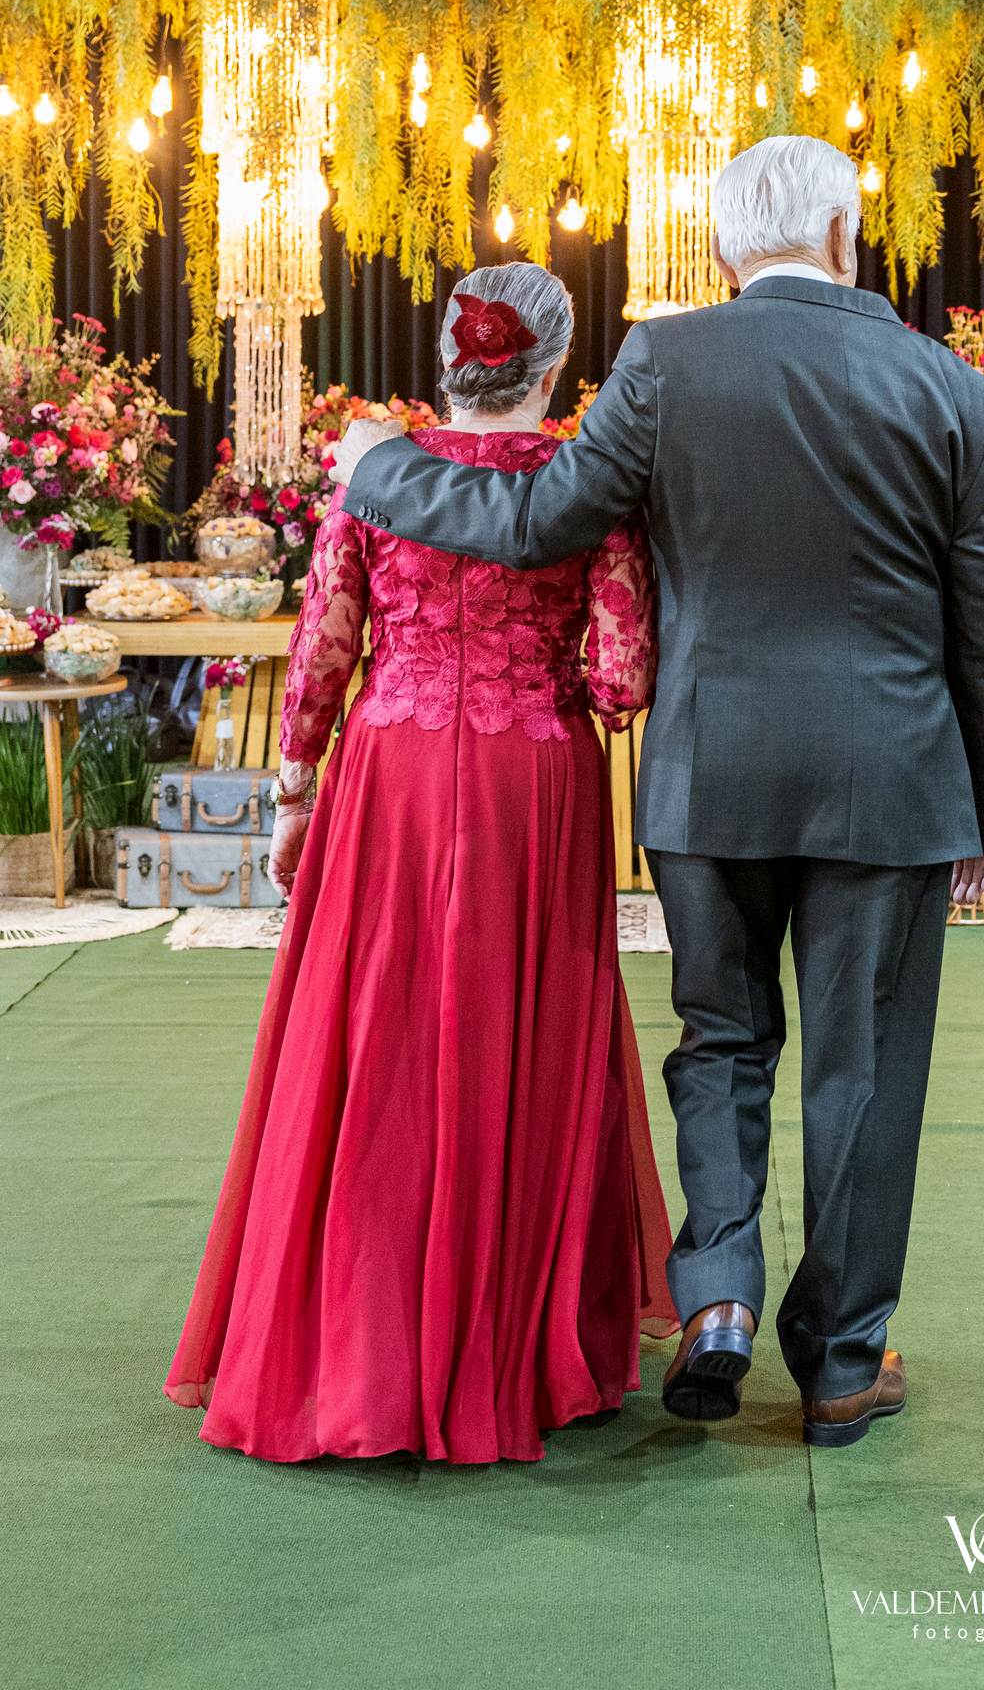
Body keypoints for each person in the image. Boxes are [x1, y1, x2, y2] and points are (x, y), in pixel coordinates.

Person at [332, 136, 984, 1448]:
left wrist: (381, 468)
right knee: (865, 1071)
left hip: (711, 770)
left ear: (718, 249)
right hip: (892, 779)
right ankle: (841, 1364)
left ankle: (716, 1298)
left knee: (722, 1042)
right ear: (846, 237)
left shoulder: (663, 360)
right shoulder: (950, 386)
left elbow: (535, 524)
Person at [163, 262, 678, 1466]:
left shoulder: (376, 474)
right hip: (531, 779)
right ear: (555, 365)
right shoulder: (586, 486)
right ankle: (516, 1345)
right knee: (518, 1037)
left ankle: (354, 1344)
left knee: (373, 1036)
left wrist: (295, 792)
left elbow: (322, 645)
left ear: (451, 358)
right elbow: (622, 682)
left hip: (388, 771)